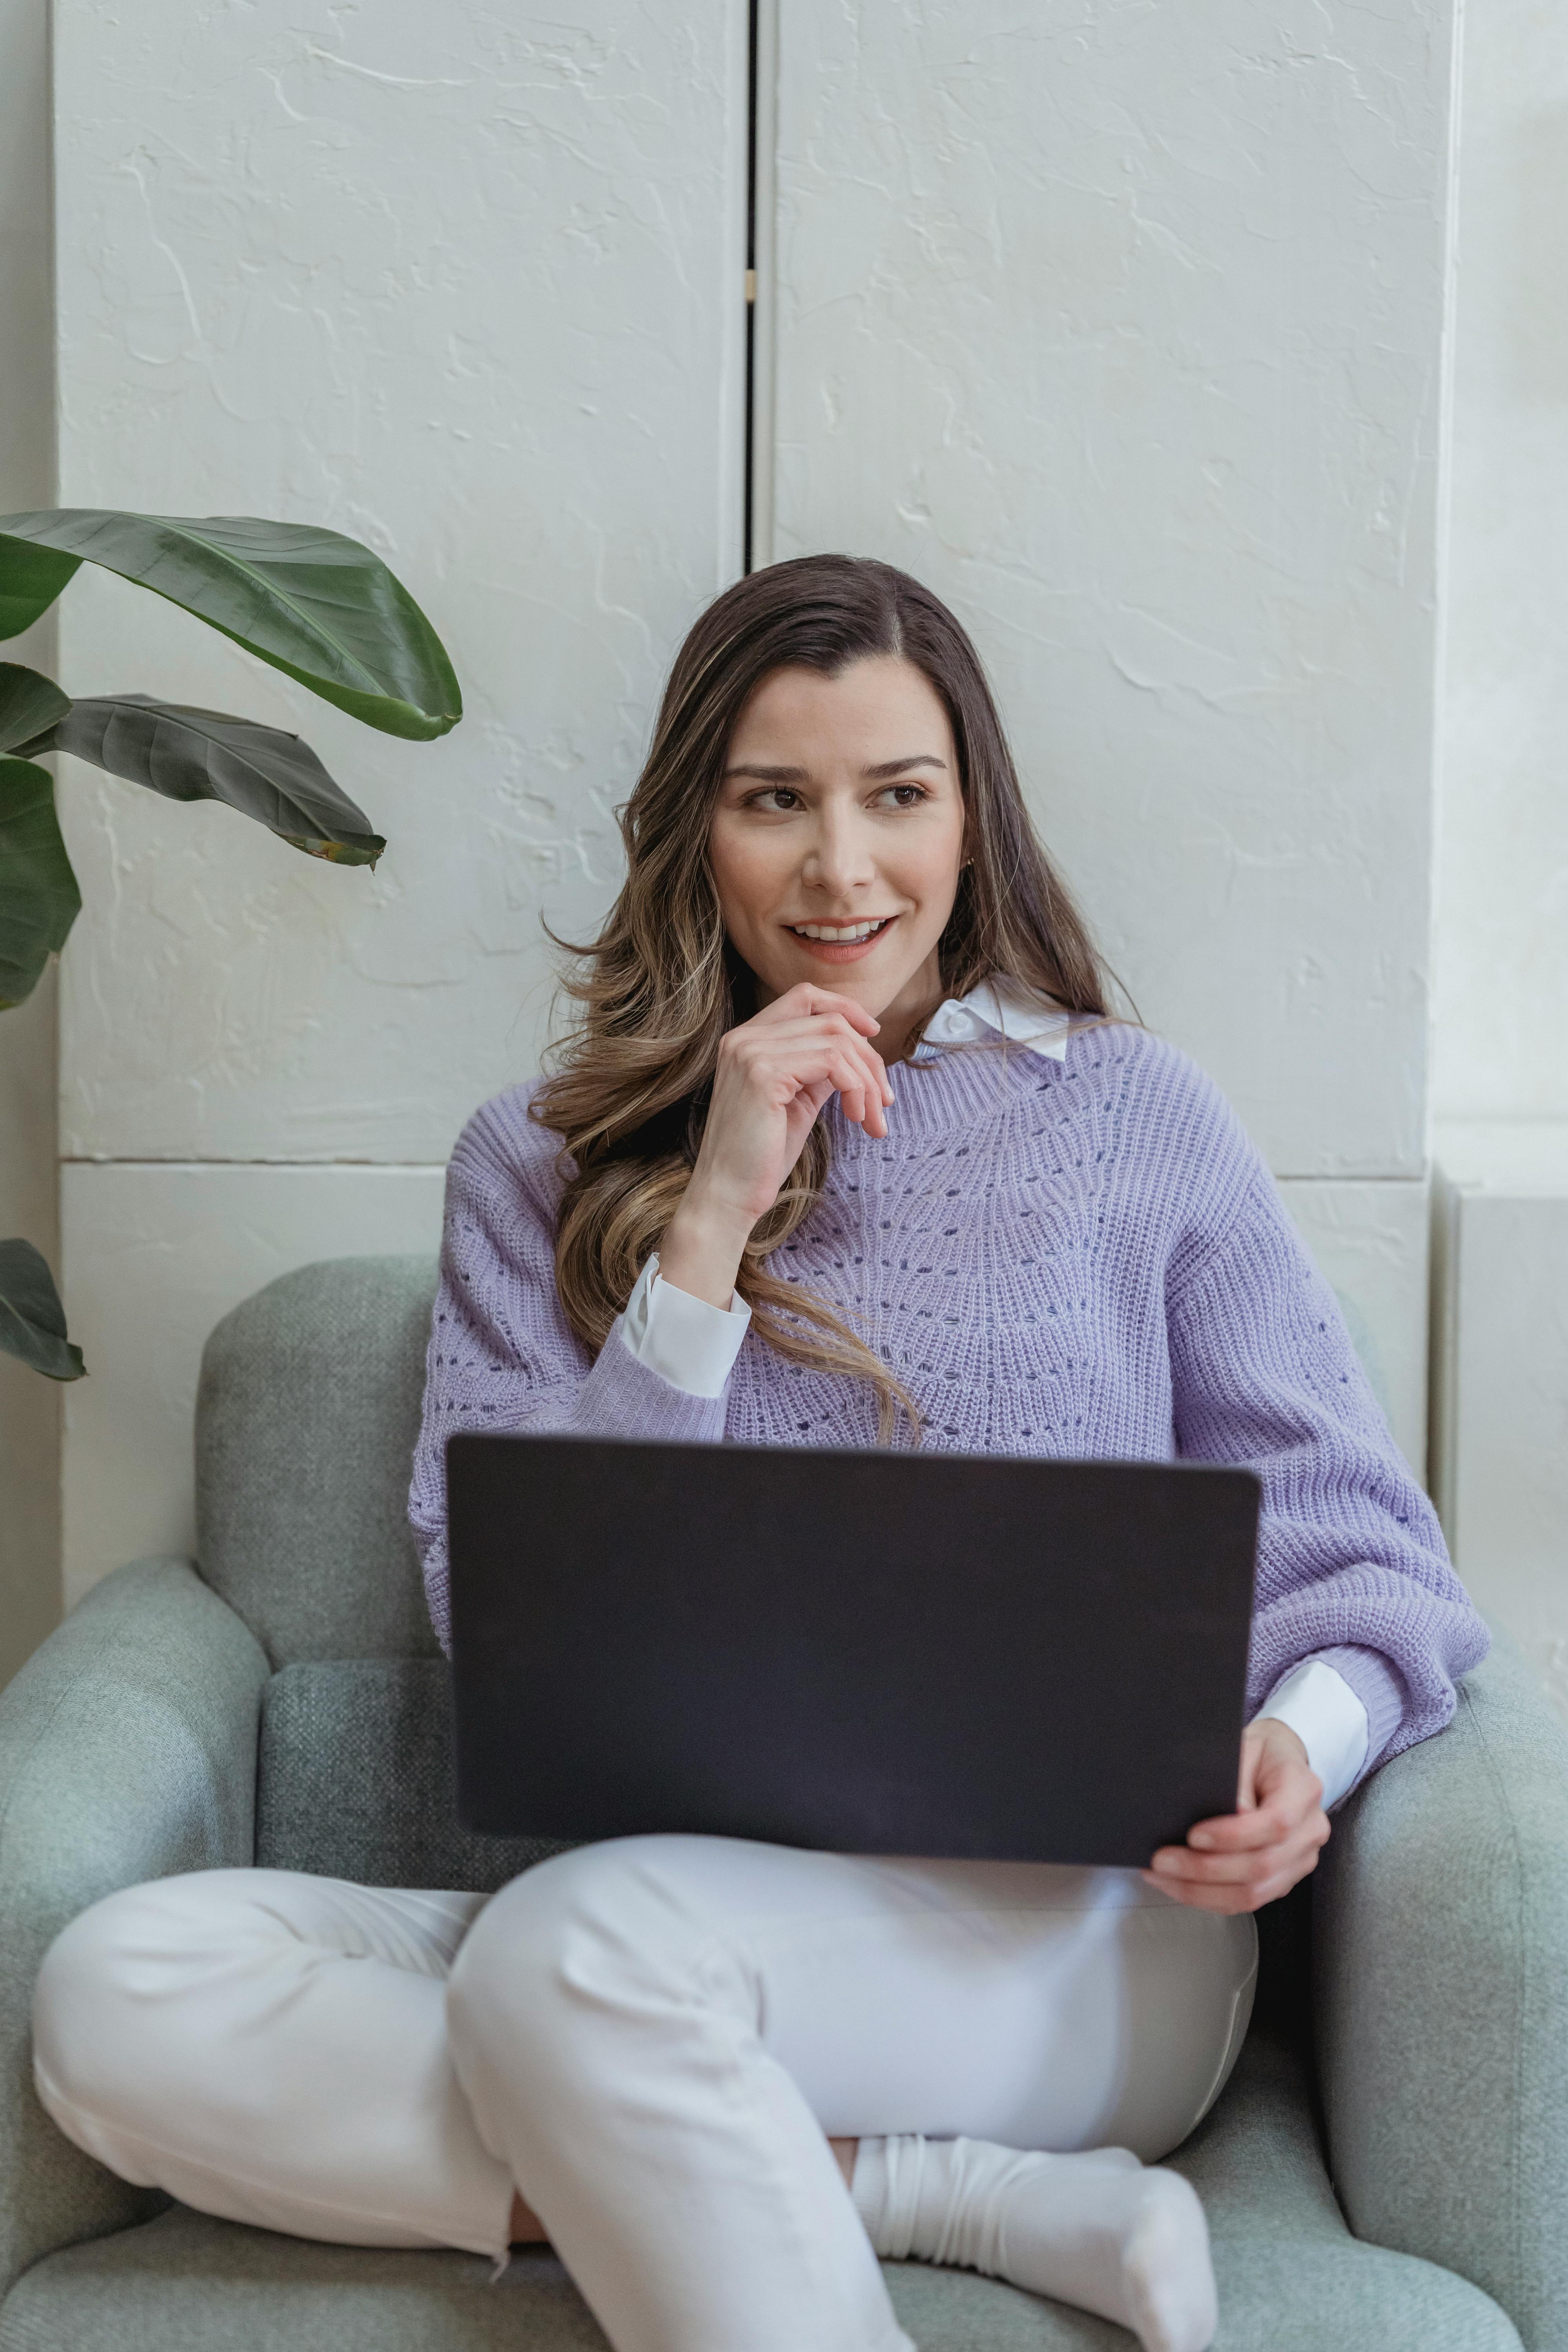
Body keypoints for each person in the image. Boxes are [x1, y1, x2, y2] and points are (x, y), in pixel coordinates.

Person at [31, 557, 1486, 2352]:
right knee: (119, 1991)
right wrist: (711, 1212)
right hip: (650, 1923)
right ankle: (934, 2191)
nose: (840, 871)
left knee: (573, 1955)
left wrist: (1300, 1743)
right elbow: (505, 1612)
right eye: (772, 802)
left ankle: (881, 2149)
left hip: (1077, 1946)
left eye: (898, 797)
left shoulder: (1132, 1119)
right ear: (690, 832)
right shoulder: (532, 1161)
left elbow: (1367, 1551)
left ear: (975, 821)